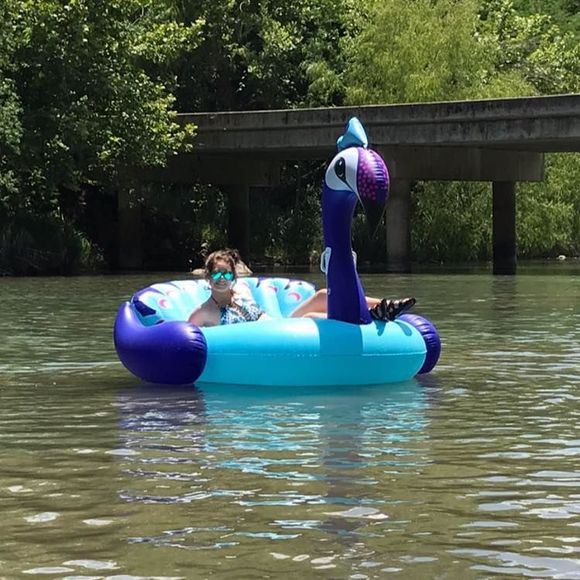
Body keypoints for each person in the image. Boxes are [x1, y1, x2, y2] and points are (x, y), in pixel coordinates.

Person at [188, 248, 416, 327]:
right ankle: (369, 316)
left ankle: (385, 306)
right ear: (208, 277)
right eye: (216, 273)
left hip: (278, 326)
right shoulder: (204, 312)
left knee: (323, 295)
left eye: (227, 273)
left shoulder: (242, 291)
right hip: (266, 340)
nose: (222, 278)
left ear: (234, 276)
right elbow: (185, 337)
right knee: (312, 317)